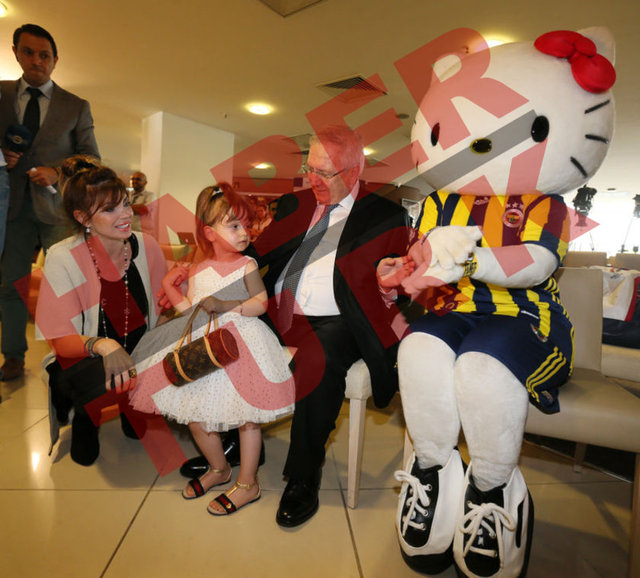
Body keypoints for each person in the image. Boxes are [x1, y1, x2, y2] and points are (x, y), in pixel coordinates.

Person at [255, 125, 409, 526]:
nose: (314, 180)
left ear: (355, 171)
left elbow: (403, 289)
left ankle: (303, 475)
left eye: (326, 173)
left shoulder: (385, 215)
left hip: (341, 320)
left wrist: (389, 285)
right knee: (228, 330)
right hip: (278, 310)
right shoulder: (294, 205)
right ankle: (229, 440)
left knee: (317, 359)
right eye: (310, 169)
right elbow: (257, 255)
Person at [129, 183, 294, 515]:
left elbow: (261, 303)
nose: (244, 232)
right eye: (234, 225)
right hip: (204, 346)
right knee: (195, 417)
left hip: (243, 344)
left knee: (248, 418)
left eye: (246, 225)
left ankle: (248, 483)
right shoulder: (199, 268)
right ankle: (219, 468)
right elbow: (189, 310)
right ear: (209, 232)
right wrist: (169, 287)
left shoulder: (246, 265)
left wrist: (227, 305)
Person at [34, 158, 167, 465]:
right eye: (110, 209)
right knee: (94, 379)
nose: (125, 215)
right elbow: (61, 341)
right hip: (85, 358)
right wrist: (105, 346)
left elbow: (163, 309)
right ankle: (85, 416)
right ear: (83, 217)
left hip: (138, 351)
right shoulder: (63, 257)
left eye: (125, 204)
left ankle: (132, 402)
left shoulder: (147, 246)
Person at [0, 24, 100, 381]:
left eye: (44, 55)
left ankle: (72, 353)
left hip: (58, 212)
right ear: (16, 52)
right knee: (11, 284)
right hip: (10, 210)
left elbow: (92, 159)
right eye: (28, 52)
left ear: (55, 60)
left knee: (68, 285)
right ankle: (13, 355)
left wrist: (58, 172)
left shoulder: (76, 106)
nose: (36, 60)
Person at [129, 171, 157, 237]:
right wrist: (138, 206)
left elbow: (144, 210)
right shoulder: (127, 194)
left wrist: (126, 207)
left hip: (144, 234)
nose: (134, 181)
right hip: (129, 232)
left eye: (138, 179)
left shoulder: (151, 195)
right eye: (133, 179)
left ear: (145, 182)